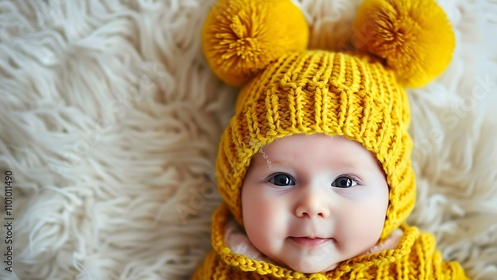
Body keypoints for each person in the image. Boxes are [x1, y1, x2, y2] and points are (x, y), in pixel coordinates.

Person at [193, 0, 469, 278]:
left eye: (345, 182)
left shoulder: (417, 270)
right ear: (236, 190)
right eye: (281, 179)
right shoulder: (223, 271)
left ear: (392, 197)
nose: (312, 206)